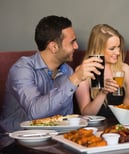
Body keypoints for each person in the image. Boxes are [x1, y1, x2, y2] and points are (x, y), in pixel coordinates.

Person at [0, 15, 103, 151]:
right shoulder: (22, 69)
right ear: (53, 47)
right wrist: (75, 79)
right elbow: (35, 112)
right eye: (72, 42)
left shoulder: (67, 71)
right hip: (18, 142)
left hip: (54, 141)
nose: (76, 46)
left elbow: (65, 118)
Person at [75, 24, 129, 119]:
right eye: (112, 48)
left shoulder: (124, 68)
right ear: (98, 49)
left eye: (118, 47)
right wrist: (103, 92)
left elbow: (128, 104)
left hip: (119, 127)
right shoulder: (84, 71)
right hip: (94, 128)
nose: (118, 52)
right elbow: (86, 113)